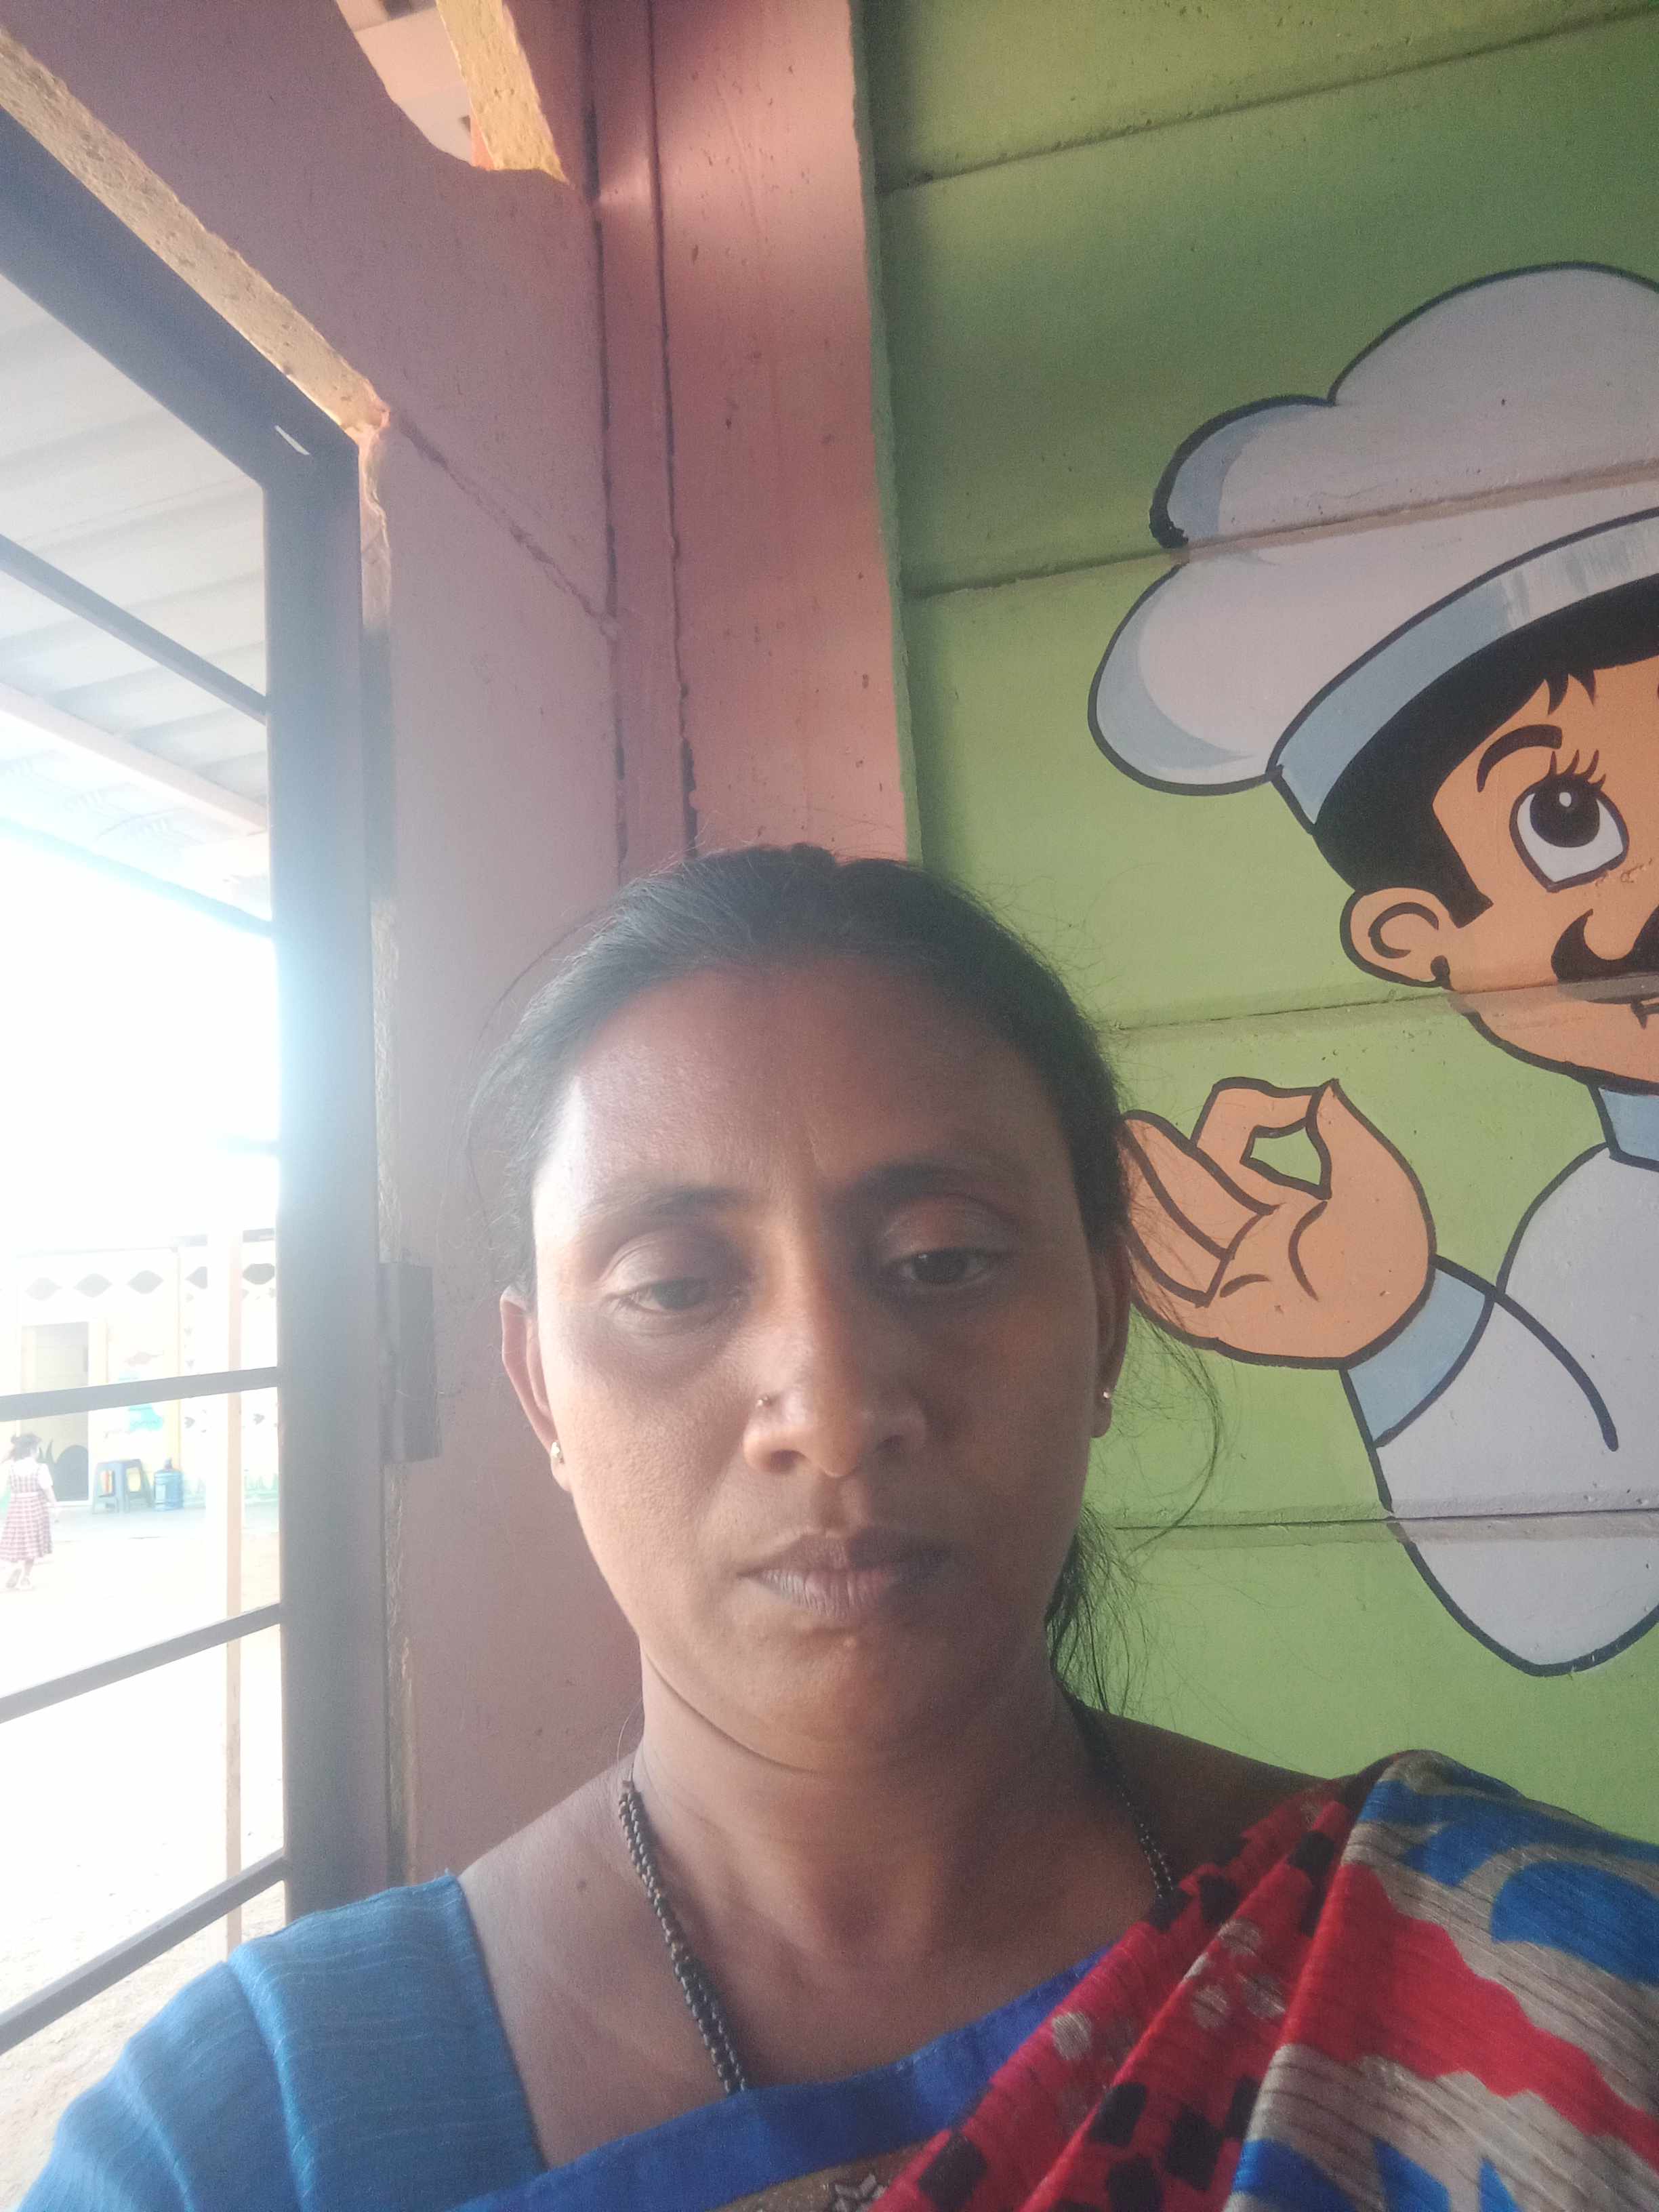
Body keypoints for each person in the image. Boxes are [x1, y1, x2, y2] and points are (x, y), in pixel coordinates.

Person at [23, 848, 1659, 2211]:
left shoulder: (1525, 1981)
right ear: (539, 1393)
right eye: (674, 1285)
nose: (830, 1402)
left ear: (1103, 1319)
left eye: (942, 1258)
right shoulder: (235, 2137)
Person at [1089, 264, 1659, 1675]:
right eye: (1567, 823)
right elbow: (1569, 1592)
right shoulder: (1606, 1238)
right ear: (1421, 940)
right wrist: (1396, 1328)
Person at [3, 1430, 56, 1591]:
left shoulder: (12, 1467)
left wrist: (9, 1455)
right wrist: (56, 1506)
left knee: (15, 1541)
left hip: (16, 1509)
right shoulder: (40, 1468)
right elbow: (48, 1490)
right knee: (32, 1545)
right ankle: (25, 1578)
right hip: (35, 1509)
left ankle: (14, 1567)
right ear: (33, 1450)